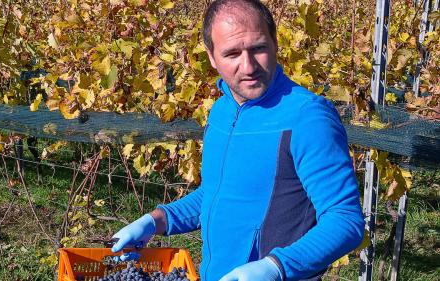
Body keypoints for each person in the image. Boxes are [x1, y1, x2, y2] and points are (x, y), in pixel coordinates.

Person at [110, 1, 365, 280]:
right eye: (232, 53)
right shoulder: (221, 111)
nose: (249, 66)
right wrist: (156, 221)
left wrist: (276, 267)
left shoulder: (307, 117)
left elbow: (345, 220)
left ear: (275, 44)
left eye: (258, 48)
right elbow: (217, 194)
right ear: (211, 57)